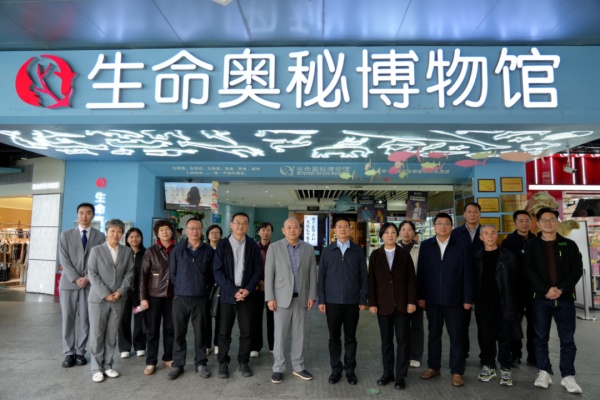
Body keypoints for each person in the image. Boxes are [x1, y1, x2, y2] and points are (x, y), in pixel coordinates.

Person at [523, 208, 583, 394]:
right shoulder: (531, 245)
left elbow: (576, 269)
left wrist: (561, 289)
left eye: (552, 219)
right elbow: (528, 270)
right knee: (540, 337)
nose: (548, 223)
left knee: (567, 339)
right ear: (538, 223)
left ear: (557, 222)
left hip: (565, 299)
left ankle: (568, 376)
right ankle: (544, 372)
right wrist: (546, 290)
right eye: (544, 220)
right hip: (540, 299)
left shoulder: (569, 245)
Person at [418, 213, 473, 387]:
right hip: (432, 299)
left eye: (447, 223)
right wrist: (421, 295)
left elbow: (468, 274)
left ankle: (457, 371)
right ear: (434, 226)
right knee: (434, 335)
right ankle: (433, 367)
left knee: (457, 336)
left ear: (452, 226)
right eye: (439, 223)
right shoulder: (426, 245)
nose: (443, 226)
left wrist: (468, 298)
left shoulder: (462, 245)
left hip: (455, 299)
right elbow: (421, 272)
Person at [265, 218, 317, 384]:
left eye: (295, 227)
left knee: (299, 334)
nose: (292, 230)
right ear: (283, 230)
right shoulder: (274, 247)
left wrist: (312, 296)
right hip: (281, 299)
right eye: (289, 227)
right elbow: (269, 274)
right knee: (279, 335)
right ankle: (278, 368)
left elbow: (312, 274)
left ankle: (298, 366)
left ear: (300, 230)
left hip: (301, 298)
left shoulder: (308, 248)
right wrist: (270, 297)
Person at [318, 217, 368, 385]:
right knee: (334, 338)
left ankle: (350, 370)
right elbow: (321, 277)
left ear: (350, 229)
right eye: (339, 227)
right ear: (334, 230)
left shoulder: (357, 250)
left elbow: (364, 277)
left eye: (346, 226)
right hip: (332, 302)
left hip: (352, 301)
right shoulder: (328, 251)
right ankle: (336, 369)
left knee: (350, 337)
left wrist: (363, 298)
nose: (342, 229)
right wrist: (322, 300)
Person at [213, 212, 262, 379]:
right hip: (228, 295)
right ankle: (223, 362)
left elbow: (257, 270)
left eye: (244, 223)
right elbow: (217, 271)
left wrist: (247, 289)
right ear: (231, 225)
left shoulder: (253, 245)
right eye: (238, 222)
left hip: (247, 295)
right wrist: (233, 290)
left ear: (248, 226)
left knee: (247, 331)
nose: (241, 225)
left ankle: (243, 361)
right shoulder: (222, 245)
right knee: (224, 331)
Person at [369, 222, 417, 390]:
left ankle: (400, 376)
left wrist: (411, 301)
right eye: (386, 232)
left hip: (403, 304)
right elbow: (371, 281)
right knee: (386, 341)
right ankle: (387, 373)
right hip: (383, 304)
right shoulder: (375, 255)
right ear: (381, 235)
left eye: (393, 232)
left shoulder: (404, 254)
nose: (390, 235)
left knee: (403, 341)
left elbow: (411, 279)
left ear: (397, 235)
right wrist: (372, 303)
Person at [59, 202, 106, 368]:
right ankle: (68, 352)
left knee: (86, 319)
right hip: (68, 283)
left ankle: (80, 352)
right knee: (68, 318)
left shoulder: (100, 236)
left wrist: (87, 277)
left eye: (88, 213)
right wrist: (76, 277)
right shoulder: (66, 235)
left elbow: (100, 260)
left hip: (89, 284)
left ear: (93, 215)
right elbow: (64, 259)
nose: (84, 216)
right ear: (77, 214)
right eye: (81, 212)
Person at [167, 218, 215, 380]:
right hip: (180, 298)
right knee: (178, 333)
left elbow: (212, 275)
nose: (195, 231)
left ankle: (200, 363)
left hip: (200, 298)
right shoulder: (177, 250)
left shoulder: (208, 251)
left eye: (197, 228)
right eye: (191, 228)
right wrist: (181, 287)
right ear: (186, 230)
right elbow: (172, 274)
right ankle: (178, 364)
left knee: (201, 333)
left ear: (202, 231)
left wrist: (204, 288)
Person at [87, 219, 134, 382]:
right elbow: (92, 273)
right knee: (97, 334)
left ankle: (107, 365)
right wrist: (105, 293)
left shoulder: (126, 251)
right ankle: (96, 368)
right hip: (99, 299)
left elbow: (130, 273)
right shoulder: (96, 250)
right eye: (112, 231)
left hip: (118, 299)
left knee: (112, 334)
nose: (116, 234)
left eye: (119, 231)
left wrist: (120, 292)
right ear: (106, 232)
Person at [473, 224, 520, 387]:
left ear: (497, 236)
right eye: (486, 233)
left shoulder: (508, 256)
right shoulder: (476, 257)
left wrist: (514, 304)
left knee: (505, 337)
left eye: (493, 232)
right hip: (483, 304)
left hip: (504, 303)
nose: (490, 235)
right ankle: (489, 366)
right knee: (486, 337)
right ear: (481, 237)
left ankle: (506, 369)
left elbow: (516, 282)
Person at [139, 220, 176, 376]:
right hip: (154, 296)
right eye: (161, 230)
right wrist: (143, 297)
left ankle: (168, 358)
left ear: (172, 232)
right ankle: (151, 361)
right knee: (152, 330)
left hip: (173, 295)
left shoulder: (178, 249)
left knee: (170, 329)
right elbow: (143, 276)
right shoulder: (151, 251)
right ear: (157, 234)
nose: (165, 232)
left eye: (167, 229)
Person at [501, 210, 536, 366]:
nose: (524, 223)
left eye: (527, 220)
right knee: (514, 325)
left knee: (535, 325)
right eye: (520, 221)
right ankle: (515, 354)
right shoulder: (508, 243)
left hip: (535, 290)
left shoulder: (537, 240)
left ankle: (533, 355)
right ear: (515, 223)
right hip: (515, 291)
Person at [451, 202, 483, 361]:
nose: (472, 214)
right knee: (462, 322)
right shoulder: (455, 233)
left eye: (475, 212)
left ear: (480, 214)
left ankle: (486, 356)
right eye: (469, 212)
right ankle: (462, 354)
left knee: (484, 321)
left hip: (482, 281)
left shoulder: (486, 232)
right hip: (461, 283)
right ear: (464, 214)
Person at [398, 220, 424, 368]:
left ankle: (415, 356)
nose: (406, 232)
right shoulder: (394, 248)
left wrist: (422, 295)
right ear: (399, 232)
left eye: (409, 229)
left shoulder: (421, 249)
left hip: (416, 292)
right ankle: (404, 354)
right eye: (403, 229)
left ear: (414, 232)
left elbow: (425, 272)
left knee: (416, 325)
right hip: (399, 294)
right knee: (401, 326)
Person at [118, 228, 147, 359]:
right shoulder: (122, 253)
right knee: (124, 319)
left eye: (137, 236)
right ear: (127, 239)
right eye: (131, 237)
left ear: (141, 238)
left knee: (140, 318)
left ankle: (140, 346)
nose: (134, 239)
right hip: (124, 292)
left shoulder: (146, 253)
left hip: (140, 293)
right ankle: (124, 347)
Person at [250, 222, 274, 357]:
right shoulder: (253, 248)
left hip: (273, 288)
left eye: (268, 230)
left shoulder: (276, 248)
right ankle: (255, 346)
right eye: (263, 230)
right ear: (258, 232)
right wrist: (260, 281)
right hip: (256, 287)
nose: (265, 233)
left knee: (273, 318)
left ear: (271, 232)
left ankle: (273, 345)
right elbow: (250, 267)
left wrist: (269, 283)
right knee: (255, 317)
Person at [205, 224, 223, 356]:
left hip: (220, 287)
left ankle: (217, 344)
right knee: (205, 318)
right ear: (207, 235)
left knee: (220, 318)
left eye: (217, 232)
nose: (214, 234)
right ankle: (206, 345)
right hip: (205, 287)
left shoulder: (224, 249)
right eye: (212, 232)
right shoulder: (203, 249)